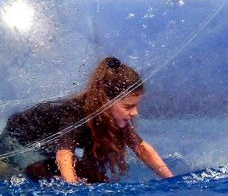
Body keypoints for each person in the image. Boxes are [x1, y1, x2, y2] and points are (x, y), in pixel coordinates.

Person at [0, 57, 173, 184]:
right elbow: (64, 154)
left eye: (136, 106)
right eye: (128, 107)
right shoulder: (75, 113)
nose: (135, 113)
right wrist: (73, 189)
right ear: (105, 102)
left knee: (93, 176)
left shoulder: (112, 118)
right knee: (29, 173)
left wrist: (170, 180)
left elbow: (141, 149)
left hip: (47, 146)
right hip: (18, 141)